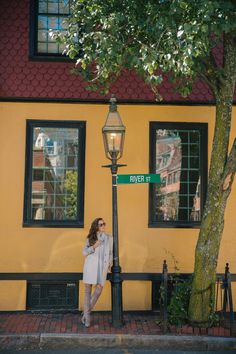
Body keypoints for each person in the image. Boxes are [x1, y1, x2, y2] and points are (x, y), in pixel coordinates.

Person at [81, 217, 113, 327]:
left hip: (102, 268)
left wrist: (110, 264)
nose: (103, 225)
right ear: (96, 227)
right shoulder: (90, 238)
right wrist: (94, 246)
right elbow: (84, 253)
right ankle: (87, 319)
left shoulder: (109, 238)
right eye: (101, 224)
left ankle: (85, 314)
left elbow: (110, 254)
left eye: (104, 223)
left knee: (98, 290)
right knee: (87, 292)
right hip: (90, 266)